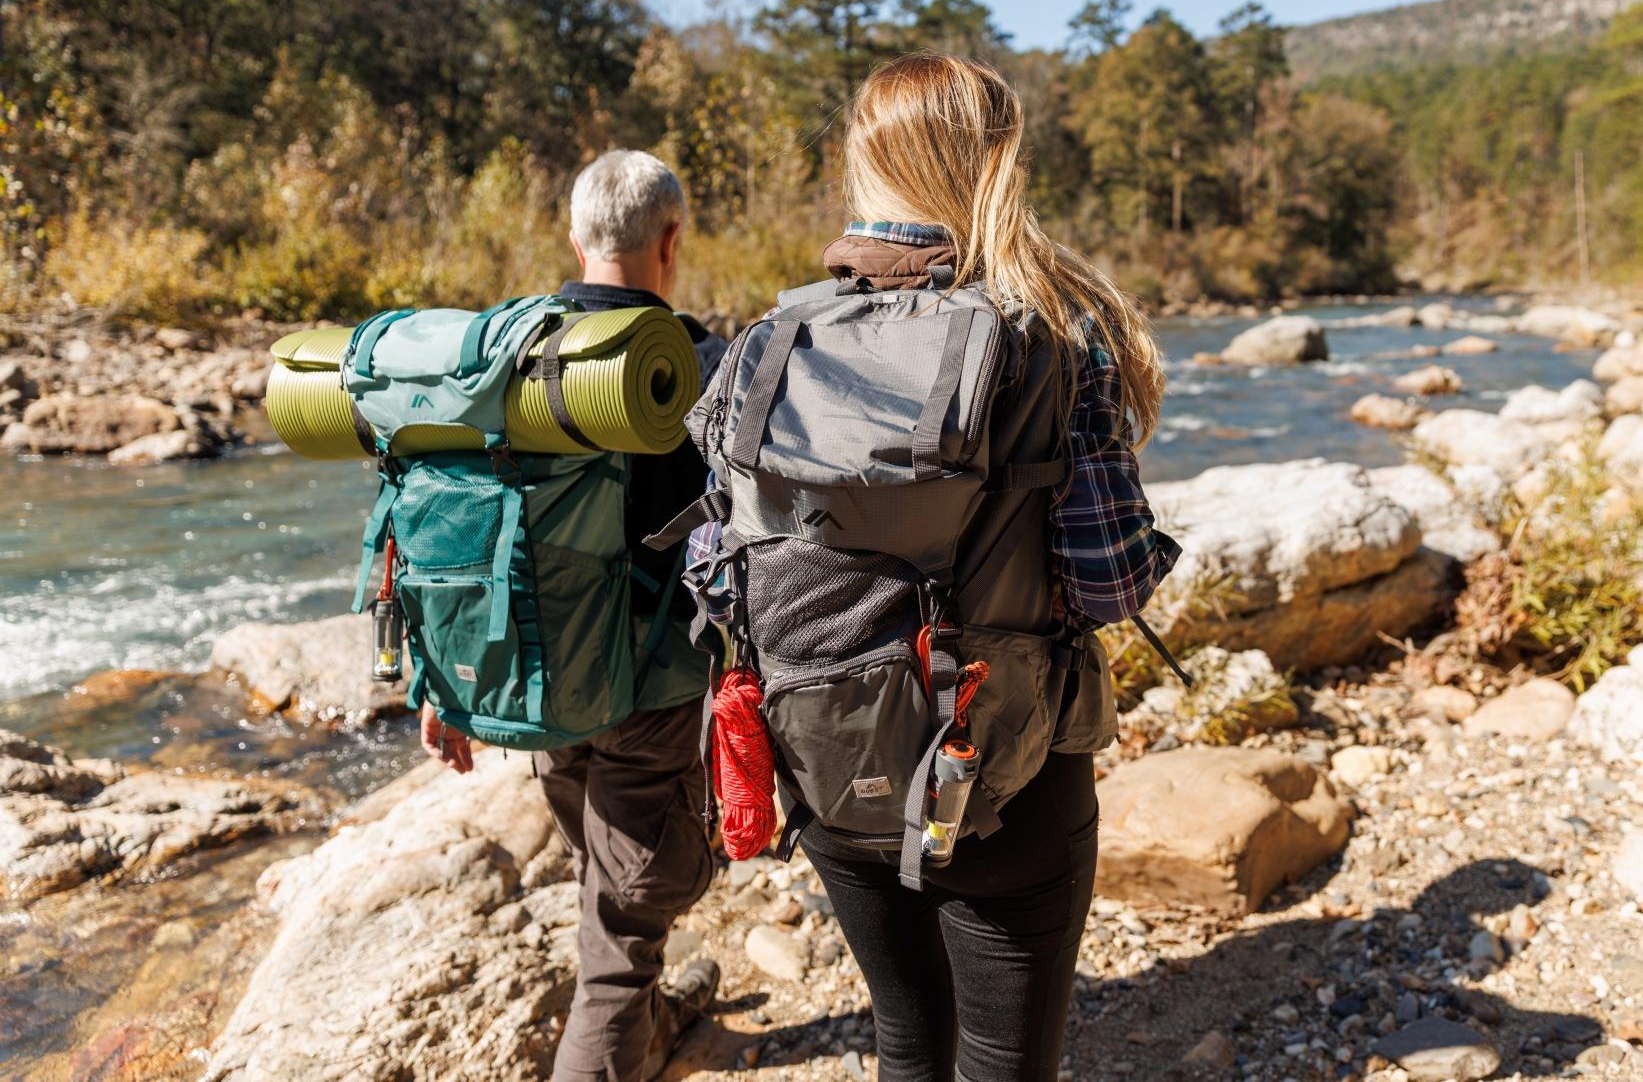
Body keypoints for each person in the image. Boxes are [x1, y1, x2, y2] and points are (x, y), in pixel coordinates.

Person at [690, 56, 1179, 1081]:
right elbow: (1106, 582)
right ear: (995, 160)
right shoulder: (1055, 331)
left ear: (861, 162)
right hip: (1003, 771)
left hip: (822, 759)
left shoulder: (770, 340)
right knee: (1003, 1061)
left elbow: (718, 564)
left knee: (907, 1037)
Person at [420, 149, 729, 1082]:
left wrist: (446, 681)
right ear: (671, 240)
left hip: (539, 673)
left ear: (574, 237)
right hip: (653, 689)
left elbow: (459, 521)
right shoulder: (700, 364)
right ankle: (617, 1038)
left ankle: (648, 1026)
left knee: (609, 880)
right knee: (623, 927)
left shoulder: (511, 359)